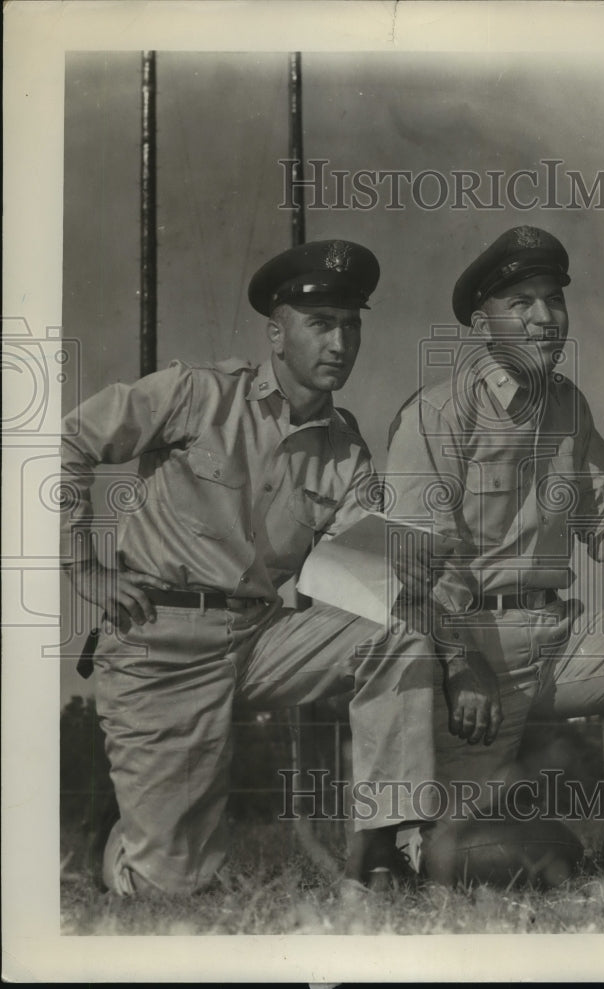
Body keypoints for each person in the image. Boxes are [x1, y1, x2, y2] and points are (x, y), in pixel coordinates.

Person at [61, 239, 441, 896]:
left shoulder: (345, 450)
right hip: (163, 640)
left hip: (262, 640)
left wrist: (419, 559)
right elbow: (65, 441)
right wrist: (81, 565)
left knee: (397, 635)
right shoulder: (198, 395)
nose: (340, 343)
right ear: (276, 332)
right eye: (321, 324)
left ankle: (381, 852)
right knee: (169, 888)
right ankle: (117, 842)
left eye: (351, 324)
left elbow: (354, 587)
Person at [384, 224, 604, 885]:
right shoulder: (435, 413)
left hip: (556, 638)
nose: (544, 318)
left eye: (553, 299)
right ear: (482, 320)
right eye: (520, 303)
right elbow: (412, 559)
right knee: (466, 862)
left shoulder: (568, 406)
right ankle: (451, 837)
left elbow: (603, 508)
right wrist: (460, 664)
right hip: (470, 655)